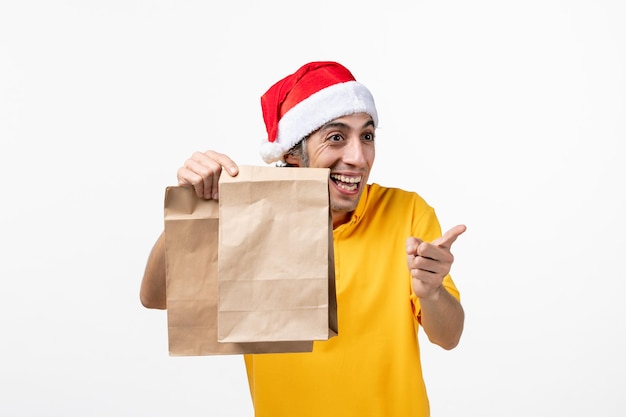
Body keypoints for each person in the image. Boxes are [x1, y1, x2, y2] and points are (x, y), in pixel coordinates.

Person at [140, 61, 466, 417]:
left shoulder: (407, 212)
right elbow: (155, 297)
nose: (357, 157)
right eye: (336, 137)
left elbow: (448, 336)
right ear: (293, 154)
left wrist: (432, 292)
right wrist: (193, 207)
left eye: (367, 136)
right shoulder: (248, 215)